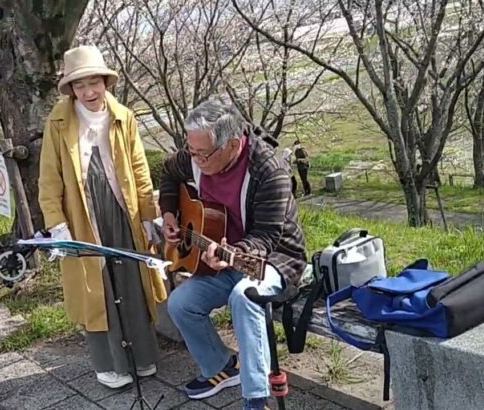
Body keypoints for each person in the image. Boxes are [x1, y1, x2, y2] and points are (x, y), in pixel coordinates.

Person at [158, 98, 307, 410]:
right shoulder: (195, 156)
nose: (195, 159)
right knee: (181, 304)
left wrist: (232, 253)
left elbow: (267, 236)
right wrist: (170, 213)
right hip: (223, 258)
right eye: (192, 151)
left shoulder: (269, 170)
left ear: (234, 143)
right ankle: (222, 366)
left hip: (274, 259)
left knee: (245, 296)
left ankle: (257, 396)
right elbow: (169, 174)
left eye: (204, 154)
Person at [38, 45, 168, 389]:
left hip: (122, 207)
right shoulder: (58, 120)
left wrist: (147, 214)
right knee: (97, 287)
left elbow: (139, 169)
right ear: (71, 89)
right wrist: (57, 224)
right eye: (81, 86)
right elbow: (49, 175)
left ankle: (142, 357)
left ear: (105, 82)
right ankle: (110, 365)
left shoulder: (123, 115)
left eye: (95, 82)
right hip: (82, 213)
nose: (89, 92)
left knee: (131, 280)